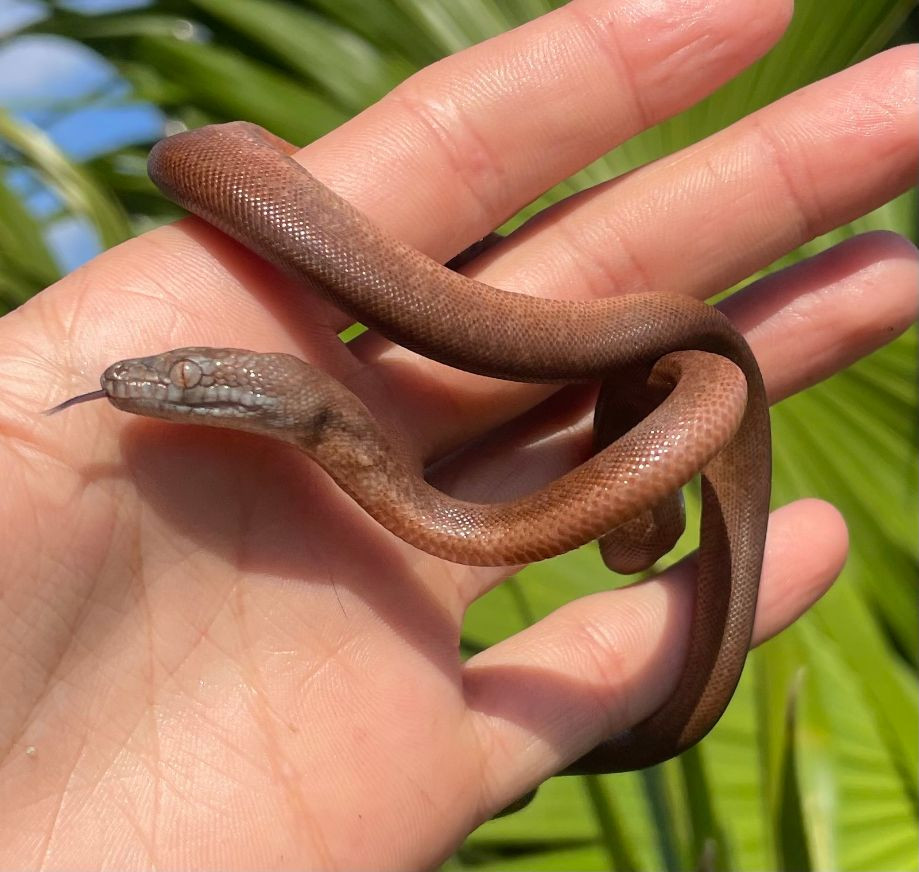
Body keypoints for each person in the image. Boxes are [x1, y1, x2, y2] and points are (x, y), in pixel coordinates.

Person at [0, 0, 915, 867]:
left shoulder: (372, 436)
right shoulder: (353, 451)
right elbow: (193, 158)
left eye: (195, 376)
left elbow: (700, 407)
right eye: (187, 380)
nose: (164, 387)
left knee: (710, 378)